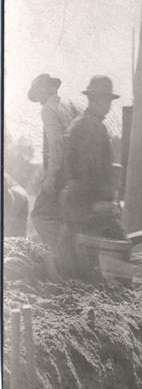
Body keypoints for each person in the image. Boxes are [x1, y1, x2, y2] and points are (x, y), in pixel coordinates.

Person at [61, 75, 127, 275]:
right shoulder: (91, 127)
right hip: (87, 206)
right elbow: (87, 170)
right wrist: (99, 202)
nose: (107, 105)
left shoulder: (83, 124)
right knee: (121, 252)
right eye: (103, 99)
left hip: (78, 204)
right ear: (92, 98)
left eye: (109, 100)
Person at [27, 73, 77, 257]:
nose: (38, 98)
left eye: (38, 90)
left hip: (59, 174)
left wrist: (51, 175)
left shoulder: (48, 109)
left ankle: (64, 254)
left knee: (39, 216)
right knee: (62, 217)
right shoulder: (67, 106)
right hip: (72, 174)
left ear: (48, 87)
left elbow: (56, 143)